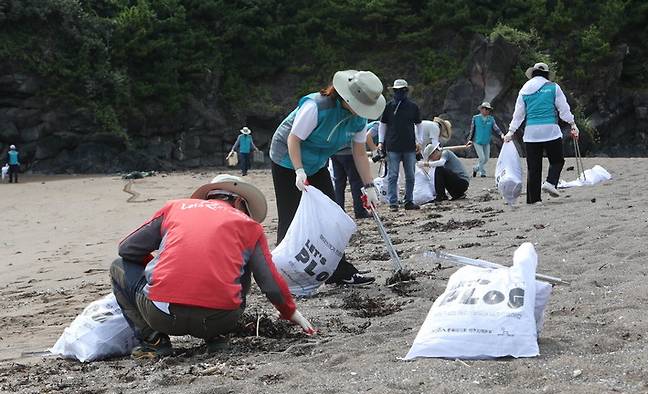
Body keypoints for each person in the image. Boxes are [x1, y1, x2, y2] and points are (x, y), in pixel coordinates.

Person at [111, 174, 315, 359]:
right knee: (240, 261)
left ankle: (154, 341)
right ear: (238, 201)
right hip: (220, 319)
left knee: (117, 266)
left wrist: (156, 267)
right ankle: (218, 337)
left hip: (162, 315)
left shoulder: (174, 208)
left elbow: (126, 250)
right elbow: (269, 282)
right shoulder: (250, 226)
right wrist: (289, 312)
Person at [269, 70, 384, 286]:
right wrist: (299, 170)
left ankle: (338, 271)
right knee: (291, 214)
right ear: (347, 97)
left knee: (331, 214)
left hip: (318, 163)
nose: (362, 111)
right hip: (287, 160)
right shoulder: (316, 107)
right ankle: (280, 274)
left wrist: (369, 186)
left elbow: (359, 152)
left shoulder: (359, 119)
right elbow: (293, 139)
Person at [504, 62, 579, 204]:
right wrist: (572, 123)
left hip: (531, 133)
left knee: (533, 167)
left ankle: (533, 200)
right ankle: (550, 182)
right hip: (550, 130)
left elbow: (518, 114)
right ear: (546, 74)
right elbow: (563, 110)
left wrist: (510, 132)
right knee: (557, 160)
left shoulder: (524, 90)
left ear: (532, 74)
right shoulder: (553, 87)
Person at [378, 79, 422, 211]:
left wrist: (419, 141)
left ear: (406, 91)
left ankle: (409, 201)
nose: (399, 93)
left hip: (409, 146)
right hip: (393, 146)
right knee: (392, 175)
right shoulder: (388, 107)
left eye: (402, 90)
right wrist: (380, 142)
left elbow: (419, 124)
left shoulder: (413, 107)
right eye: (397, 91)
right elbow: (383, 124)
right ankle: (393, 203)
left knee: (411, 175)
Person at [467, 102, 504, 178]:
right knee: (482, 158)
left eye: (489, 109)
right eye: (486, 109)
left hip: (486, 141)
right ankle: (482, 173)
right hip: (477, 141)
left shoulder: (491, 119)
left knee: (486, 159)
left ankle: (476, 168)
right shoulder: (475, 118)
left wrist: (501, 134)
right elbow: (472, 129)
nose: (487, 111)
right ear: (481, 109)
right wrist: (470, 139)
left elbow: (496, 128)